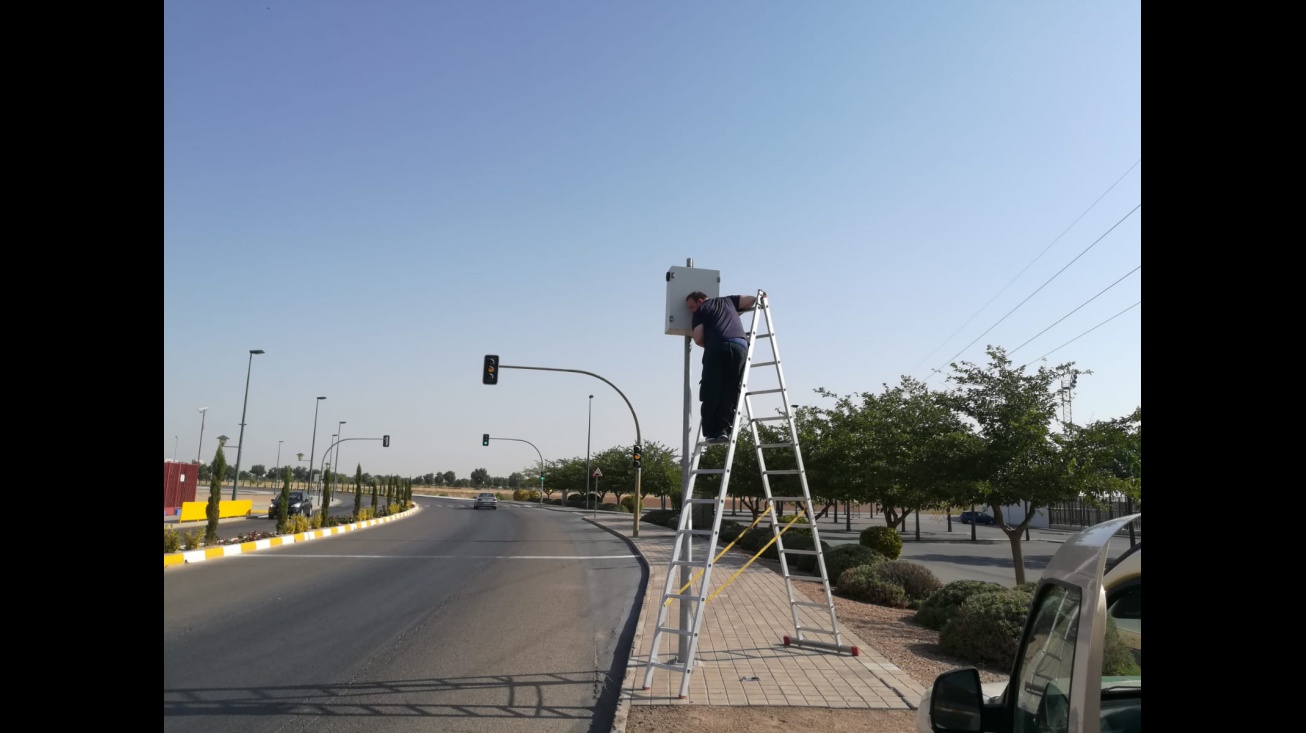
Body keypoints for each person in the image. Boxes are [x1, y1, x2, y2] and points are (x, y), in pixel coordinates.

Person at [686, 290, 761, 444]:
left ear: (700, 301)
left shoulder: (701, 310)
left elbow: (699, 338)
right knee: (731, 389)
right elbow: (751, 299)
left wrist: (712, 341)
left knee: (712, 388)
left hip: (717, 347)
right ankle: (724, 429)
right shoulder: (728, 301)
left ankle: (712, 433)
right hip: (740, 346)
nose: (691, 310)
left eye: (692, 306)